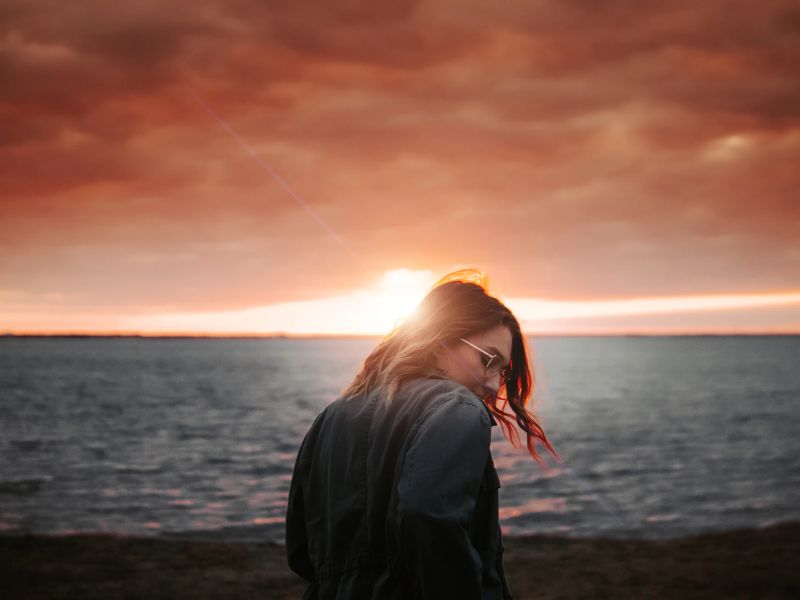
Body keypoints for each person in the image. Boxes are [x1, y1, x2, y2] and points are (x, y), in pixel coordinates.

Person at [285, 269, 558, 599]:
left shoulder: (331, 417)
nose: (494, 385)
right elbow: (426, 513)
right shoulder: (457, 407)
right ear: (440, 338)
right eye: (488, 360)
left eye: (504, 371)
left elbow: (301, 551)